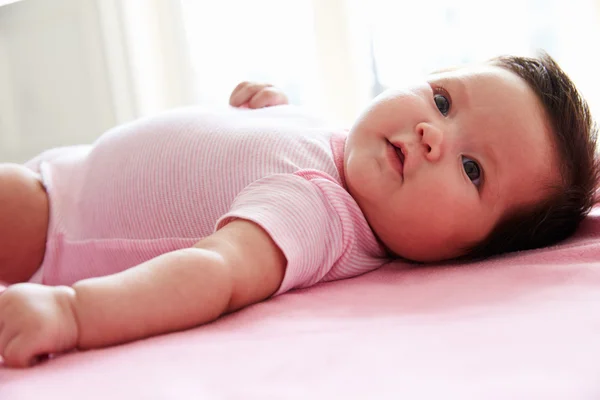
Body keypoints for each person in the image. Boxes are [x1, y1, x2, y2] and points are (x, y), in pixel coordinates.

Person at [0, 52, 598, 368]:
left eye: (472, 169)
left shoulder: (316, 213)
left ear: (471, 253)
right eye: (442, 100)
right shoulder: (349, 149)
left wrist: (74, 313)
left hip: (47, 228)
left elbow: (215, 274)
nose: (430, 132)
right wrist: (272, 110)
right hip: (61, 172)